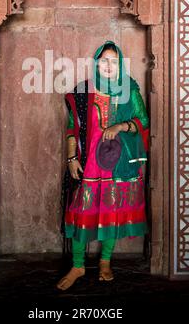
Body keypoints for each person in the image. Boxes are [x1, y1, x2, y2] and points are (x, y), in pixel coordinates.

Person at [56, 40, 149, 291]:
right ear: (96, 63)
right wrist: (71, 158)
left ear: (120, 65)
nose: (108, 65)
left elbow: (143, 121)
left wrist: (120, 126)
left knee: (112, 213)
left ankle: (105, 261)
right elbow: (72, 129)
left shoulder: (129, 90)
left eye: (114, 61)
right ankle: (78, 265)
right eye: (104, 60)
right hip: (87, 166)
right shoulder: (82, 93)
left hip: (117, 165)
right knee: (79, 213)